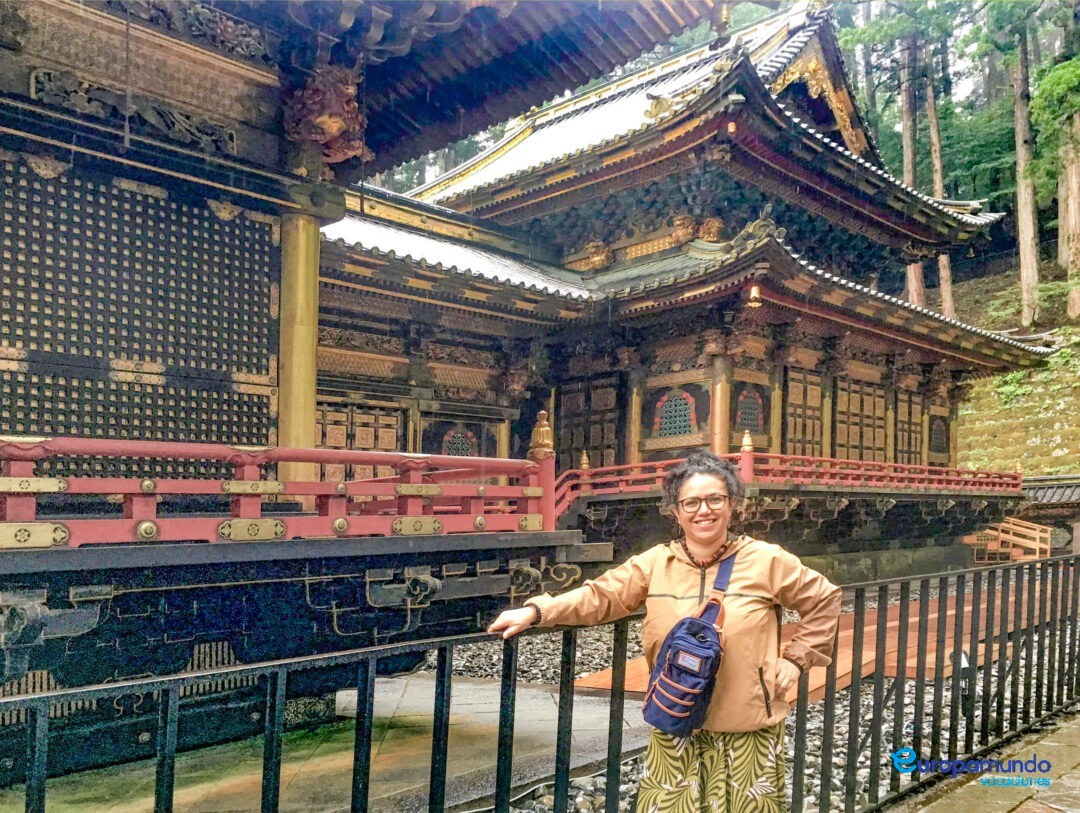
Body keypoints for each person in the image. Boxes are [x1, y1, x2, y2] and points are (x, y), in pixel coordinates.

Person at [488, 450, 841, 812]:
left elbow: (824, 599)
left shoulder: (766, 559)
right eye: (691, 502)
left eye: (714, 499)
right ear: (675, 511)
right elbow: (602, 595)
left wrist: (797, 660)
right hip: (676, 721)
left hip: (746, 727)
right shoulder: (656, 562)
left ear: (732, 504)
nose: (703, 510)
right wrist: (537, 610)